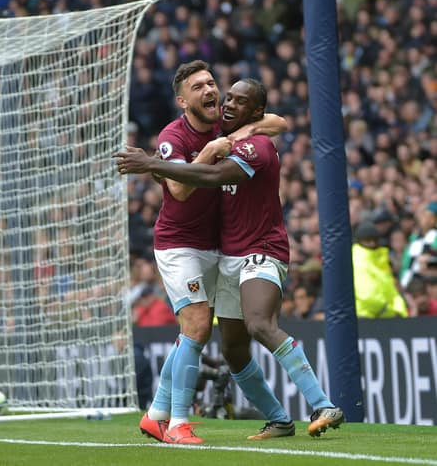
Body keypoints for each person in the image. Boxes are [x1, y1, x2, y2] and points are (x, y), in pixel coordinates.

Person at [116, 78, 344, 438]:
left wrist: (150, 165)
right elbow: (181, 187)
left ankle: (324, 404)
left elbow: (215, 171)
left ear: (254, 111)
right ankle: (280, 420)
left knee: (254, 324)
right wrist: (157, 161)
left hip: (261, 249)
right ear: (181, 100)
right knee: (233, 350)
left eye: (239, 101)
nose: (226, 103)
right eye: (227, 98)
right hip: (220, 254)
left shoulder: (256, 148)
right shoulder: (188, 135)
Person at [133, 60, 290, 445]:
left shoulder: (225, 124)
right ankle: (179, 423)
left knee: (195, 332)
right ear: (182, 100)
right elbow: (180, 191)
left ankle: (156, 414)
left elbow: (279, 123)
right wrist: (210, 150)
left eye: (210, 83)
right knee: (199, 325)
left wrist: (237, 135)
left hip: (218, 245)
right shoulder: (173, 135)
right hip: (179, 243)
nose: (210, 91)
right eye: (198, 87)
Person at [352, 220, 408, 318]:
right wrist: (390, 311)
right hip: (366, 317)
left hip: (386, 317)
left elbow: (392, 290)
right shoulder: (357, 259)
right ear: (359, 241)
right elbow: (366, 294)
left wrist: (398, 310)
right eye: (367, 240)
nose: (372, 244)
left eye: (375, 240)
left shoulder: (381, 260)